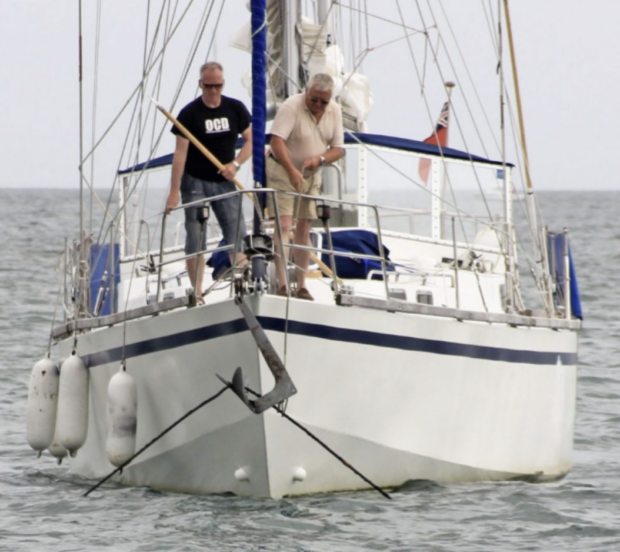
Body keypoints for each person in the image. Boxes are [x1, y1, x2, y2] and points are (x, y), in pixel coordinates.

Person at [165, 62, 252, 301]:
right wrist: (174, 192)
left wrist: (235, 164)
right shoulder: (189, 114)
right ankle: (197, 290)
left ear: (223, 84)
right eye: (208, 86)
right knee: (196, 237)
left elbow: (250, 141)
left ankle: (243, 286)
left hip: (224, 181)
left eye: (218, 86)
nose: (213, 90)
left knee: (237, 233)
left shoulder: (235, 108)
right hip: (195, 182)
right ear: (200, 84)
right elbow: (180, 154)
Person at [267, 73, 344, 301]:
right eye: (314, 99)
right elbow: (276, 141)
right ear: (307, 92)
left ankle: (301, 284)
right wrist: (292, 170)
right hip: (283, 170)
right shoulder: (291, 106)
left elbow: (338, 149)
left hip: (311, 174)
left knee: (304, 226)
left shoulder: (334, 111)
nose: (318, 104)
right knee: (284, 224)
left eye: (323, 101)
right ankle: (283, 284)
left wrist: (320, 160)